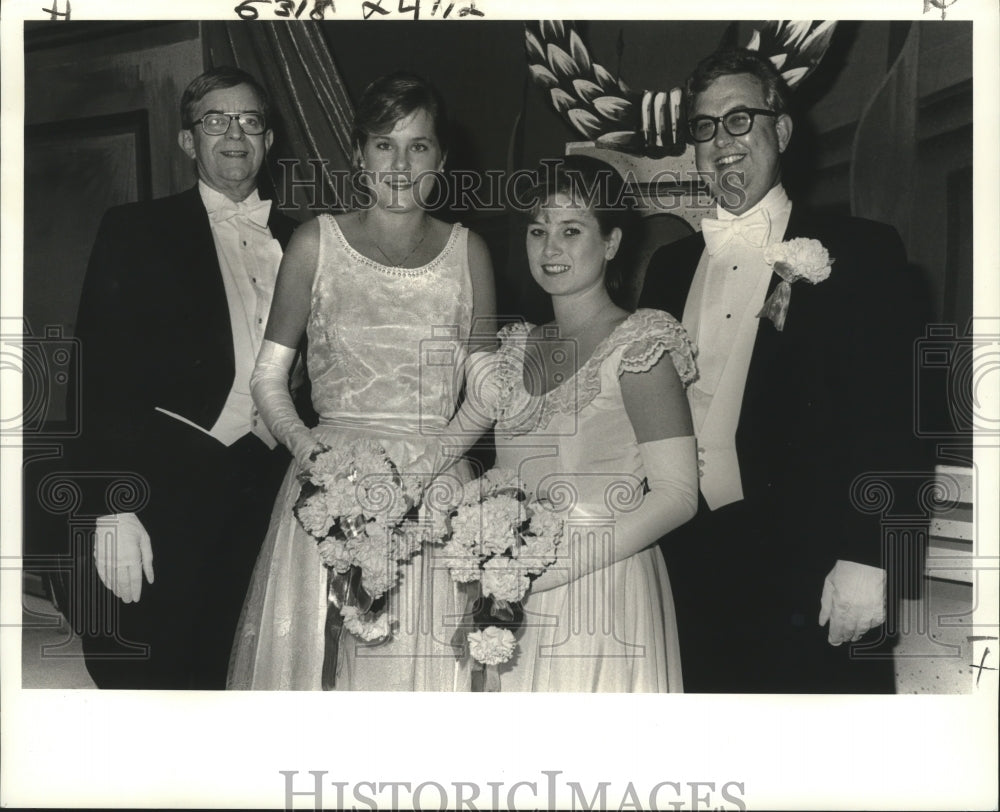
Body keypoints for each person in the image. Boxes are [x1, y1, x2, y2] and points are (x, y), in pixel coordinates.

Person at [639, 48, 922, 693]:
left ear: (783, 131)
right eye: (705, 128)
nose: (722, 142)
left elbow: (894, 421)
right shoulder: (667, 268)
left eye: (740, 120)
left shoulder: (863, 252)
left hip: (813, 573)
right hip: (684, 566)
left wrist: (871, 559)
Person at [227, 72, 496, 691]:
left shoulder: (469, 251)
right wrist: (313, 457)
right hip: (330, 490)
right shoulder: (314, 242)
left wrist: (420, 474)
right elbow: (268, 379)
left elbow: (485, 392)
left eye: (419, 146)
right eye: (384, 143)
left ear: (442, 157)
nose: (401, 164)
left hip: (435, 492)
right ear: (358, 153)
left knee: (415, 678)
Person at [72, 66, 299, 689]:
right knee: (156, 678)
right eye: (215, 121)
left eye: (251, 121)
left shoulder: (307, 238)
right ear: (187, 141)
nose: (234, 135)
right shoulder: (134, 230)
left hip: (274, 496)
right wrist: (111, 507)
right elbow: (96, 376)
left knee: (253, 682)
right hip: (168, 492)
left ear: (269, 139)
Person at [444, 155, 699, 691]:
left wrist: (546, 571)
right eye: (538, 231)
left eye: (571, 230)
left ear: (610, 243)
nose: (550, 248)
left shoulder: (640, 345)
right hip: (511, 596)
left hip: (603, 590)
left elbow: (677, 495)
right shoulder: (513, 350)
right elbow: (462, 455)